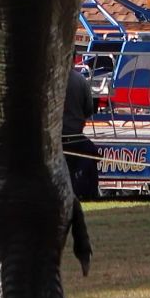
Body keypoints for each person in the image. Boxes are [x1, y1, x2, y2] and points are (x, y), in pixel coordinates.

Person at [63, 62, 101, 204]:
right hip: (74, 136)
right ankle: (90, 193)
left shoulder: (49, 78)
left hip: (55, 137)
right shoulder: (80, 80)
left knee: (90, 151)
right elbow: (89, 109)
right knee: (92, 153)